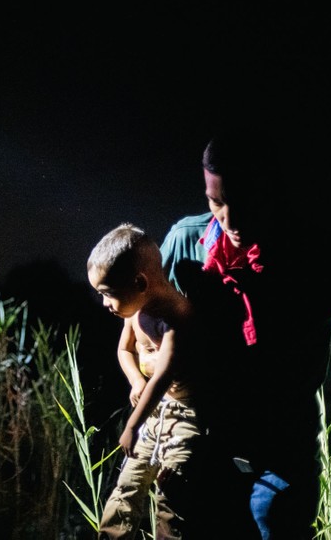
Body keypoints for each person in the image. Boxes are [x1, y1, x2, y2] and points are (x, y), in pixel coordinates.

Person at [158, 130, 331, 538]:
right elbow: (141, 323)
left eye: (242, 201)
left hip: (282, 451)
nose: (229, 220)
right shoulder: (186, 241)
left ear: (268, 189)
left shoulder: (314, 252)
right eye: (216, 202)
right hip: (207, 447)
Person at [88, 223, 203, 539]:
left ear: (139, 283)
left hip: (185, 417)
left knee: (172, 496)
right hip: (153, 414)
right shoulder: (133, 313)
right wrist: (136, 380)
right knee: (126, 488)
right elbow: (124, 350)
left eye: (107, 293)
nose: (104, 303)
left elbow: (163, 378)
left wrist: (131, 426)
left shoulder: (177, 317)